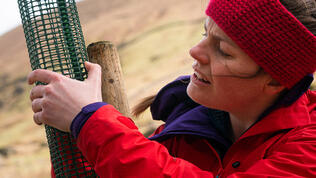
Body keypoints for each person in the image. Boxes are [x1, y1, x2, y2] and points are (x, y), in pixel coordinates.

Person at [28, 0, 316, 177]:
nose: (195, 51)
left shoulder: (309, 148)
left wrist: (90, 121)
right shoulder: (182, 132)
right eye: (205, 33)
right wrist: (76, 129)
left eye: (224, 51)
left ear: (276, 81)